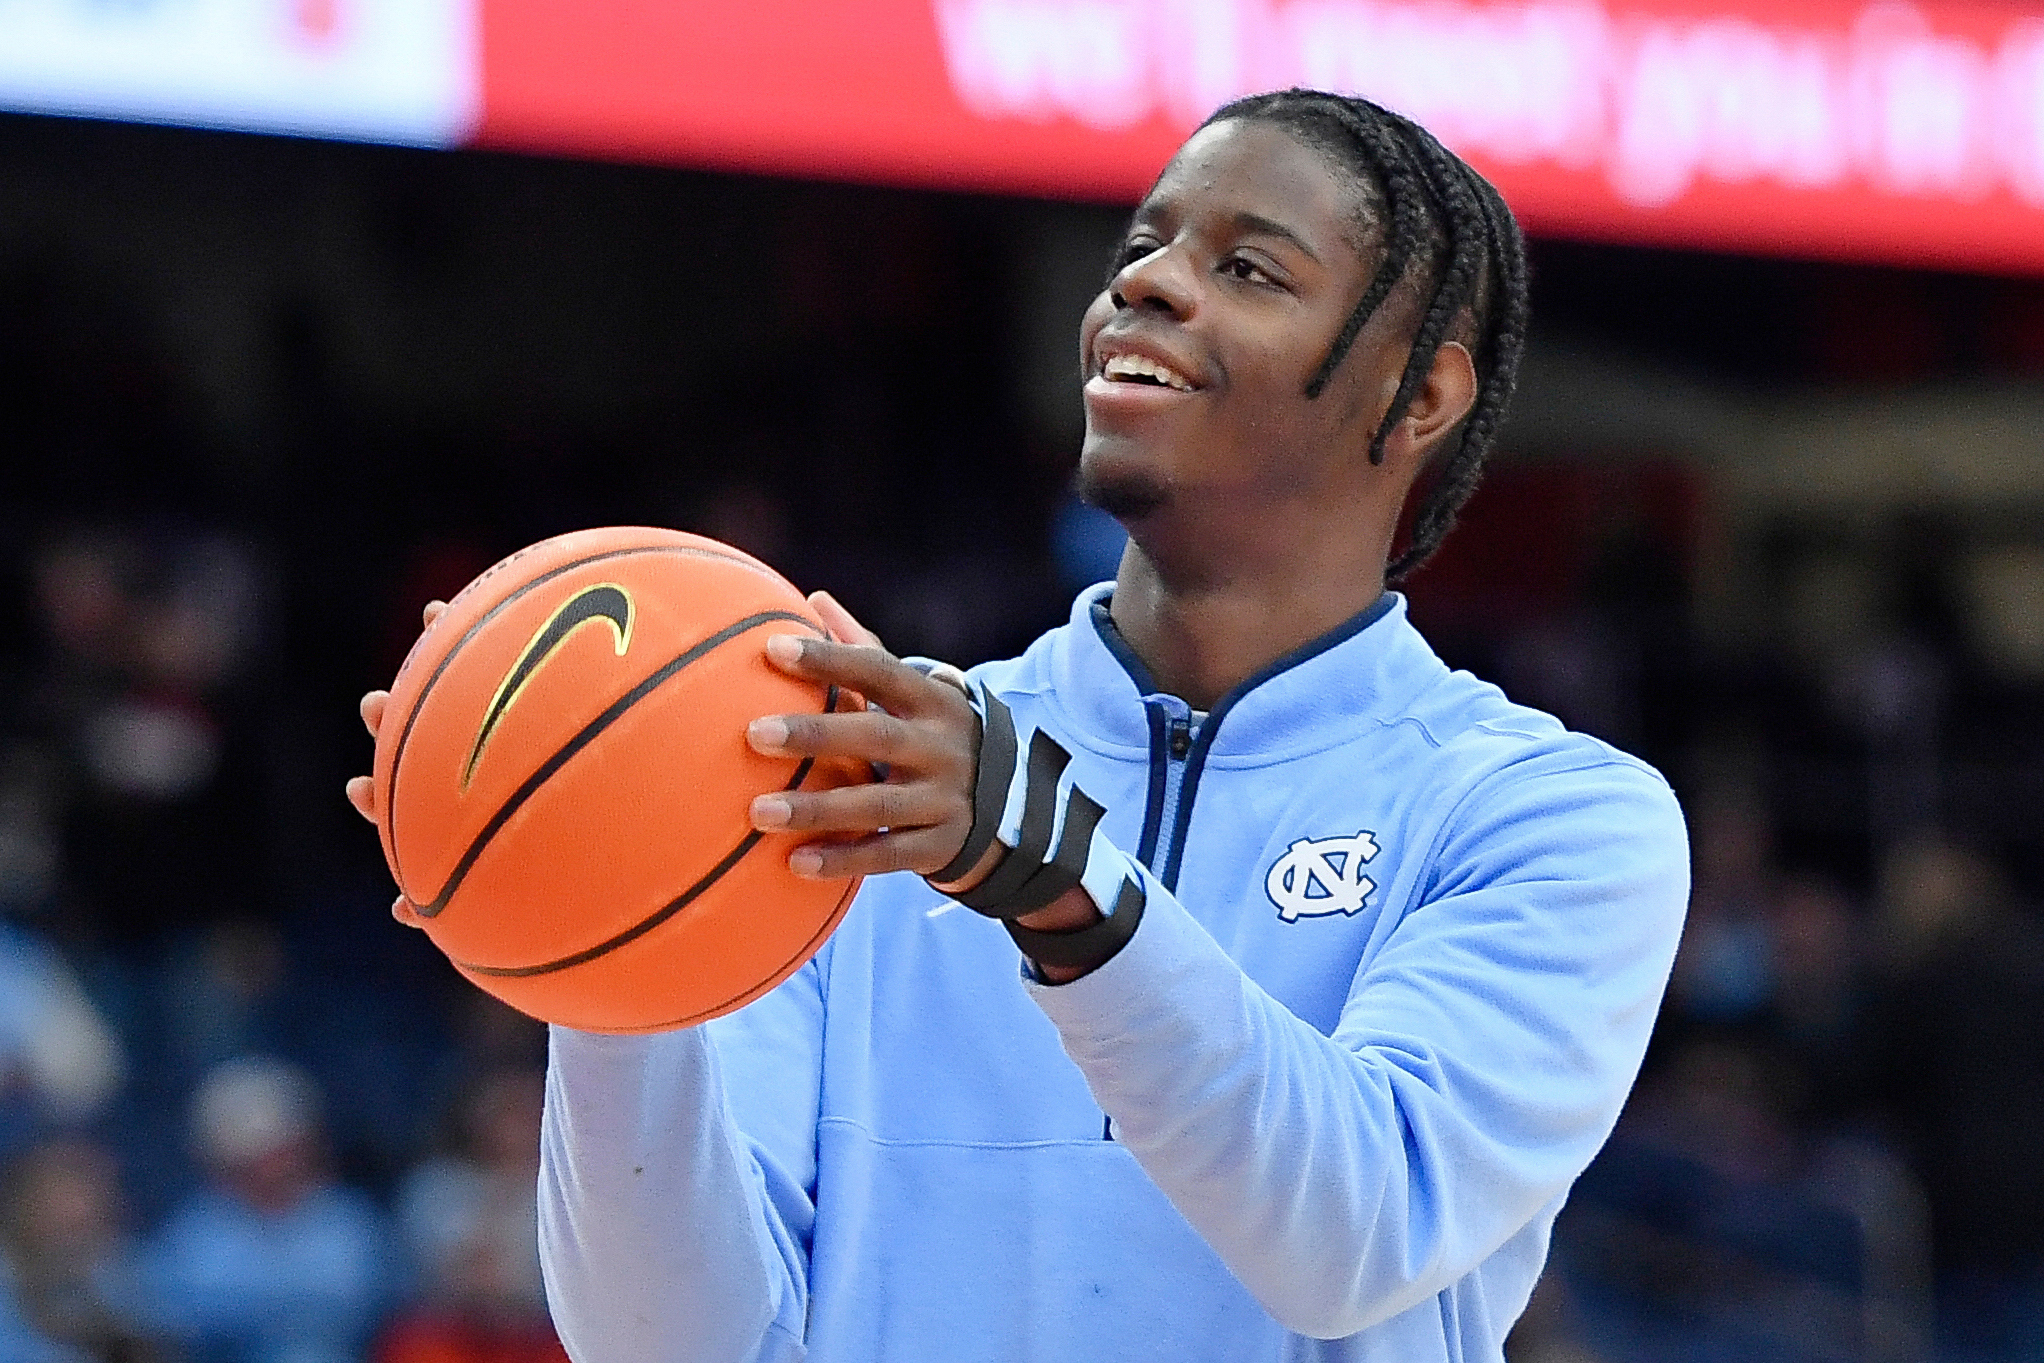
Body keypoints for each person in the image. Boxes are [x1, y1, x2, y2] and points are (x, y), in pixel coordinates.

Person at [348, 89, 1689, 1360]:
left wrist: (1057, 879)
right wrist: (601, 917)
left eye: (1252, 269)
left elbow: (1351, 1234)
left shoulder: (1551, 817)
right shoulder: (856, 764)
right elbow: (673, 1343)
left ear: (1421, 395)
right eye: (1146, 246)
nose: (1143, 285)